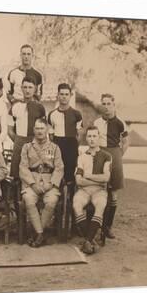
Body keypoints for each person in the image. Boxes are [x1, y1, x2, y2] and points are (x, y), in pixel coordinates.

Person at [19, 118, 64, 247]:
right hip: (31, 182)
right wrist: (33, 184)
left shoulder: (55, 148)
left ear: (47, 130)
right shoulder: (27, 147)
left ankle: (37, 234)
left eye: (42, 128)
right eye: (37, 128)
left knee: (51, 202)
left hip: (49, 181)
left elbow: (59, 167)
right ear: (33, 130)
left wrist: (51, 184)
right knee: (28, 199)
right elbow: (23, 167)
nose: (39, 131)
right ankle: (40, 234)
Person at [93, 93, 130, 239]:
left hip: (115, 154)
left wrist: (119, 155)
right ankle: (96, 225)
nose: (106, 107)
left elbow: (126, 141)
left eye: (109, 104)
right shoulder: (97, 123)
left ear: (114, 105)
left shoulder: (120, 122)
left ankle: (108, 227)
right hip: (100, 153)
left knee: (113, 193)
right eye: (104, 104)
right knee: (97, 190)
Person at [73, 126, 112, 254]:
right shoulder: (82, 156)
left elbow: (106, 178)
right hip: (83, 190)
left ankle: (87, 240)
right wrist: (97, 179)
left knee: (100, 205)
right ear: (86, 138)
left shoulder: (106, 156)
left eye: (94, 136)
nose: (91, 139)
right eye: (89, 136)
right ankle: (90, 241)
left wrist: (88, 176)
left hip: (99, 191)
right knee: (76, 204)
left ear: (99, 137)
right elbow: (79, 180)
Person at [8, 75, 47, 179]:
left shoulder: (40, 107)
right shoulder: (15, 107)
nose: (27, 90)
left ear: (35, 89)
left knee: (34, 175)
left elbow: (44, 129)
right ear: (21, 88)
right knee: (16, 175)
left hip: (34, 143)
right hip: (19, 143)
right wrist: (18, 140)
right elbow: (10, 130)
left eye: (30, 87)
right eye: (25, 87)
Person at [47, 83, 83, 184]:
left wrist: (75, 146)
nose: (64, 97)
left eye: (66, 94)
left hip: (71, 144)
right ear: (58, 95)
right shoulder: (52, 114)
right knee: (57, 171)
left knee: (70, 173)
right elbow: (51, 135)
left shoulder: (77, 114)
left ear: (70, 95)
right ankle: (58, 195)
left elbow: (79, 135)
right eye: (61, 94)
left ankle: (70, 197)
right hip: (57, 144)